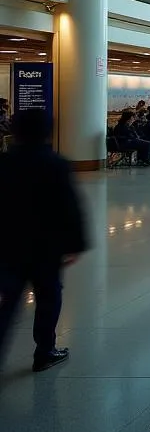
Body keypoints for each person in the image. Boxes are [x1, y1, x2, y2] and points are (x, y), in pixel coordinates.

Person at [0, 109, 88, 373]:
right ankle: (44, 351)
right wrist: (75, 244)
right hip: (46, 248)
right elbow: (70, 207)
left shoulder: (4, 162)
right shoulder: (55, 164)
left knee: (9, 301)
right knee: (48, 298)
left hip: (9, 246)